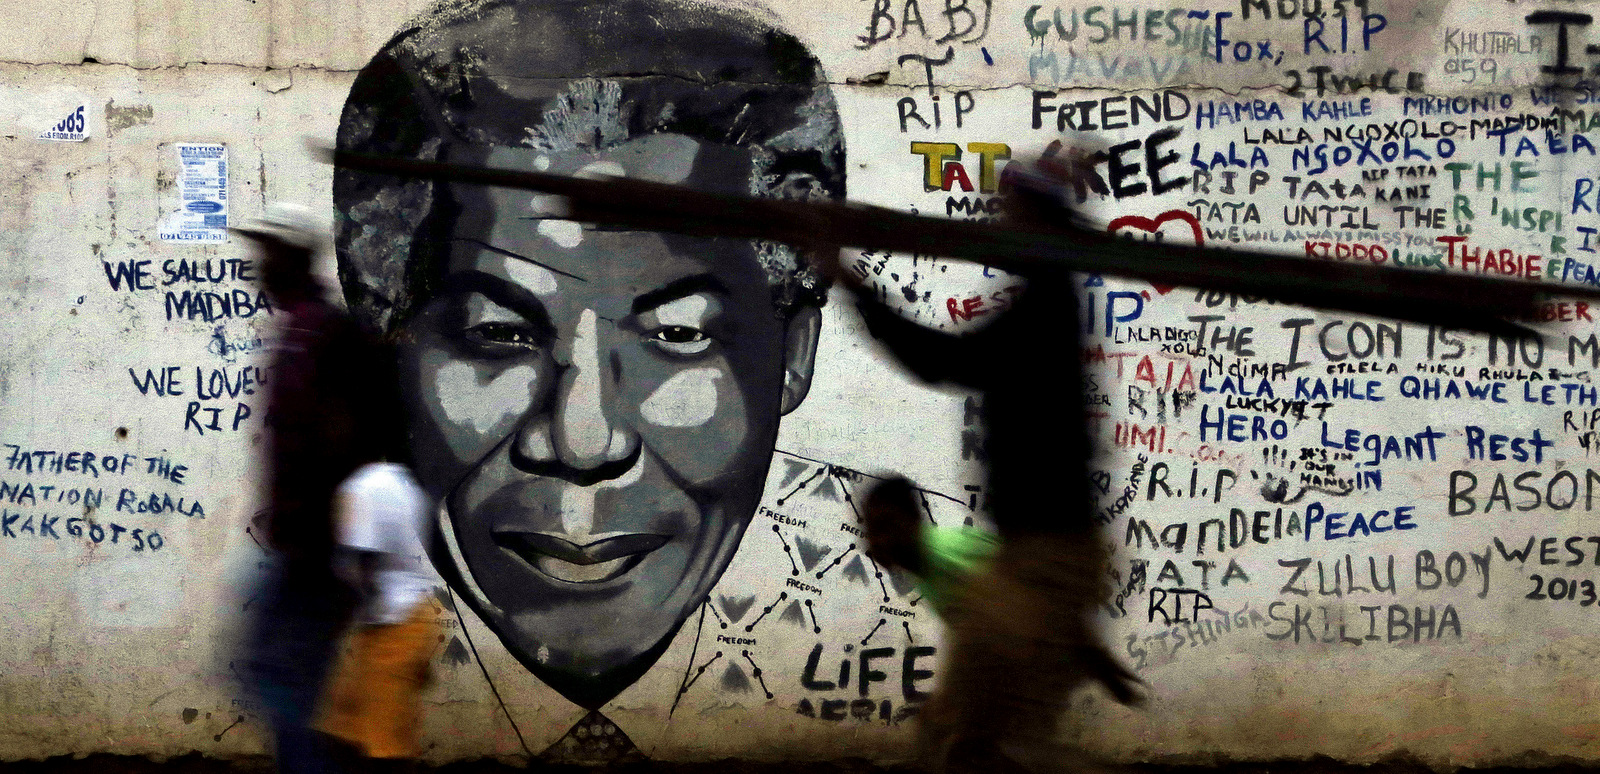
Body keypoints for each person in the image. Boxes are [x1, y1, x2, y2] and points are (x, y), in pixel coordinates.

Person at [331, 0, 845, 754]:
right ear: (391, 344)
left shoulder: (905, 587)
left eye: (676, 335)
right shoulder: (310, 587)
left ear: (793, 356)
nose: (583, 440)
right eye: (498, 336)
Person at [236, 204, 386, 774]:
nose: (258, 270)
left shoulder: (328, 333)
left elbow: (358, 439)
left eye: (267, 256)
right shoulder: (300, 329)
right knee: (278, 674)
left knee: (280, 676)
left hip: (319, 549)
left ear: (292, 260)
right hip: (301, 542)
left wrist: (339, 537)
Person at [318, 457, 440, 774]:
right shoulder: (405, 484)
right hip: (403, 620)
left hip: (393, 627)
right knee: (343, 730)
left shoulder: (363, 487)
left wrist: (333, 622)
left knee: (383, 748)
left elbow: (364, 559)